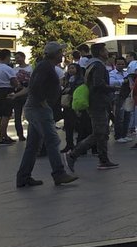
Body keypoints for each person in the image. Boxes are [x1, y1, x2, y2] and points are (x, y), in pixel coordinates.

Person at [15, 42, 78, 188]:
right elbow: (35, 87)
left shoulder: (45, 66)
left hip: (36, 108)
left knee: (33, 145)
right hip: (39, 109)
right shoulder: (45, 67)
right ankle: (59, 173)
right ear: (55, 54)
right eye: (61, 52)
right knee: (52, 140)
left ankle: (23, 176)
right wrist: (43, 102)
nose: (62, 55)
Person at [66, 42, 119, 171]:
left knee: (103, 133)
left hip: (97, 102)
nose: (107, 52)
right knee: (99, 133)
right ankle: (73, 154)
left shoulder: (91, 64)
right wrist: (114, 88)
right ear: (101, 52)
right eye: (105, 50)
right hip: (98, 102)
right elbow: (98, 84)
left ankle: (103, 159)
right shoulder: (99, 66)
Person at [11, 51, 32, 141]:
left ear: (23, 57)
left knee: (30, 115)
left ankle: (31, 134)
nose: (17, 60)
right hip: (17, 93)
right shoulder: (14, 70)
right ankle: (20, 134)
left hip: (28, 93)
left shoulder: (31, 68)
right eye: (15, 58)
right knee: (17, 115)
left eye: (18, 58)